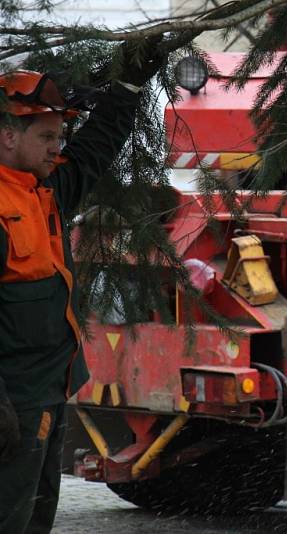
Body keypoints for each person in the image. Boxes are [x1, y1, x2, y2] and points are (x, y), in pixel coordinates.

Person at [0, 46, 161, 533]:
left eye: (59, 135)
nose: (58, 147)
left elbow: (94, 151)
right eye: (48, 136)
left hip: (46, 395)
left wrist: (128, 89)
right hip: (12, 405)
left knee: (34, 517)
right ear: (7, 135)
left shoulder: (42, 190)